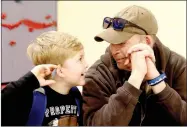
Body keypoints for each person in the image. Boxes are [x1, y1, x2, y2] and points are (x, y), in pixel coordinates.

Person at [82, 5, 186, 126]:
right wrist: (134, 82)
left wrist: (158, 83)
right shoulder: (98, 74)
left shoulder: (177, 66)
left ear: (146, 41)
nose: (114, 50)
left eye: (121, 42)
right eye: (111, 42)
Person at [2, 31, 88, 126]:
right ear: (60, 71)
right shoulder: (33, 98)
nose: (86, 64)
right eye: (80, 59)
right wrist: (30, 79)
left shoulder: (75, 95)